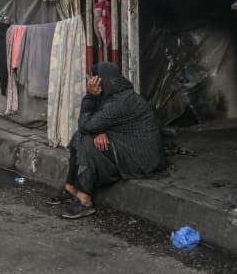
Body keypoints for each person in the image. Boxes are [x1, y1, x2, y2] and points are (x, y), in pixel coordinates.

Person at [50, 62, 167, 219]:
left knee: (87, 141)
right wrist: (98, 130)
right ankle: (71, 187)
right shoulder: (116, 94)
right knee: (82, 136)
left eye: (94, 79)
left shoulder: (121, 101)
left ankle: (84, 200)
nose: (91, 82)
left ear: (101, 80)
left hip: (143, 159)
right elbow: (95, 121)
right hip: (129, 146)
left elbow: (86, 125)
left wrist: (90, 96)